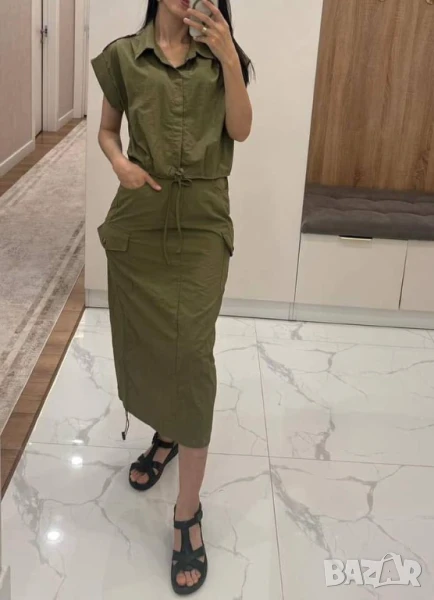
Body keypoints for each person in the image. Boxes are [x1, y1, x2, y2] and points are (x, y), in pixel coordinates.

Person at [91, 0, 252, 594]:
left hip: (202, 221)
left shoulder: (223, 57)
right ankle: (166, 435)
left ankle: (188, 514)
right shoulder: (122, 57)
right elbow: (108, 131)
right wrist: (119, 163)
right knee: (152, 343)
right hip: (142, 214)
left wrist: (229, 56)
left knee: (191, 355)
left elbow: (241, 130)